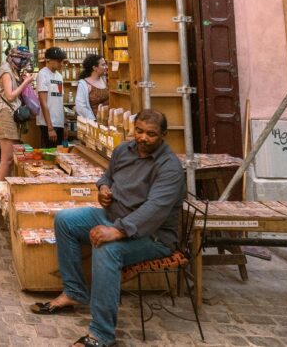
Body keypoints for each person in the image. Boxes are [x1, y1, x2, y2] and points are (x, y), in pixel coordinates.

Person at [31, 110, 184, 347]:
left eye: (151, 134)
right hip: (113, 215)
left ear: (163, 135)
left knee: (107, 249)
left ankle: (102, 334)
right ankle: (74, 292)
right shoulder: (124, 150)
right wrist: (103, 189)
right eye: (139, 131)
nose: (143, 138)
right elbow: (107, 177)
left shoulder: (170, 167)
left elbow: (155, 209)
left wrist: (118, 231)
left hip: (152, 235)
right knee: (65, 220)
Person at [0, 46, 35, 183]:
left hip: (10, 115)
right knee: (7, 158)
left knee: (10, 159)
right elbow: (10, 96)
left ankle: (6, 190)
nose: (26, 63)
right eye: (24, 59)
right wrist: (26, 83)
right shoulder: (6, 71)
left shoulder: (12, 69)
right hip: (5, 114)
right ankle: (1, 192)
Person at [36, 47, 68, 148]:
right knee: (51, 154)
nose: (61, 64)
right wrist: (50, 128)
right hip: (47, 123)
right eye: (59, 61)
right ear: (48, 60)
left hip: (59, 122)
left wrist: (64, 124)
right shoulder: (43, 74)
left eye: (62, 61)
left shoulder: (59, 76)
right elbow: (43, 102)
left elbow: (60, 101)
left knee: (60, 154)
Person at [75, 54, 109, 121]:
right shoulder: (83, 84)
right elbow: (80, 107)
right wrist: (93, 120)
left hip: (107, 121)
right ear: (94, 68)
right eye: (103, 65)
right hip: (93, 123)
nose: (106, 67)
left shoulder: (104, 80)